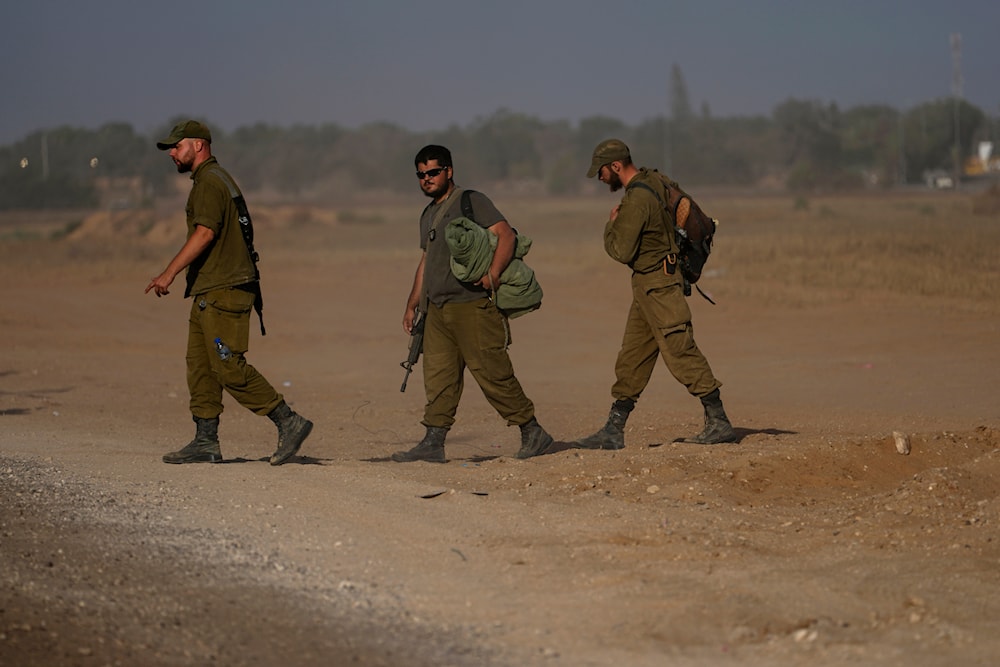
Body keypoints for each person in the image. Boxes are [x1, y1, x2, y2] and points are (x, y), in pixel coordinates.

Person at [145, 120, 313, 465]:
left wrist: (169, 272)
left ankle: (289, 421)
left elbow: (205, 233)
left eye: (177, 147)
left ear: (199, 145)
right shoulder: (211, 179)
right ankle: (205, 440)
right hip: (210, 289)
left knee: (227, 367)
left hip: (225, 289)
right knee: (201, 366)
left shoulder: (209, 181)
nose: (173, 154)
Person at [392, 144, 554, 463]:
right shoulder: (427, 215)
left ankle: (532, 432)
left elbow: (505, 235)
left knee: (492, 373)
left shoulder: (471, 201)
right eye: (421, 174)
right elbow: (426, 261)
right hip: (437, 310)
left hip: (473, 306)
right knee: (438, 378)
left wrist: (492, 275)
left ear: (449, 171)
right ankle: (432, 442)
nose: (427, 179)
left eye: (433, 172)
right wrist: (412, 304)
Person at [577, 139, 735, 448]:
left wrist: (611, 225)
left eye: (601, 172)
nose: (600, 179)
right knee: (633, 356)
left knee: (679, 349)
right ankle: (613, 430)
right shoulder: (655, 179)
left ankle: (718, 420)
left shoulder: (636, 199)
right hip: (649, 287)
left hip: (659, 286)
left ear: (616, 166)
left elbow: (621, 250)